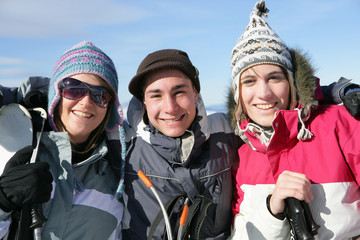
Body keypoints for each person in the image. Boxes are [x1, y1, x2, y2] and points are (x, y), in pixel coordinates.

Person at [229, 1, 360, 239]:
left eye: (275, 78)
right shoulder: (242, 155)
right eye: (249, 81)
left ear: (291, 84)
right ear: (238, 93)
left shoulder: (339, 124)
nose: (264, 93)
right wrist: (272, 209)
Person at [0, 41, 126, 239]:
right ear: (56, 95)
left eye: (100, 95)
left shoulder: (119, 171)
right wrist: (3, 202)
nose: (86, 102)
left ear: (109, 106)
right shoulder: (13, 147)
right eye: (74, 89)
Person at [122, 49, 241, 239]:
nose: (170, 107)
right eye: (156, 95)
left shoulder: (226, 131)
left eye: (179, 92)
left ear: (195, 93)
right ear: (143, 101)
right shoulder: (124, 145)